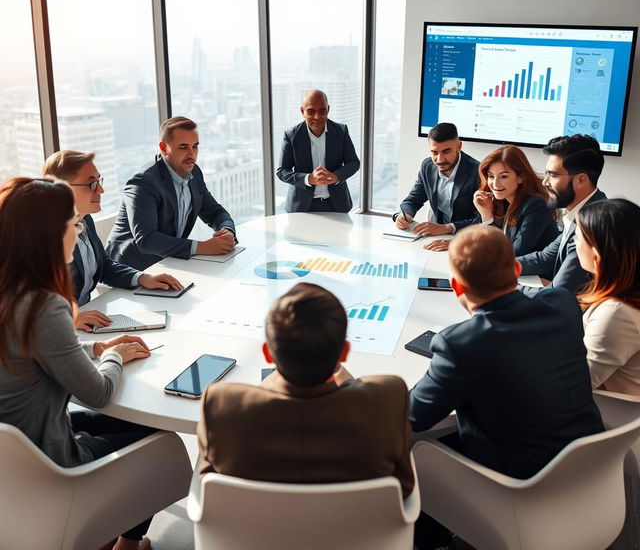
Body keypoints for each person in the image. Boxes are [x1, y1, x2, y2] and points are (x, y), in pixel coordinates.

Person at [409, 224, 604, 549]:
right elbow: (534, 298)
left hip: (518, 484)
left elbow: (414, 417)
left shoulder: (460, 344)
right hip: (586, 470)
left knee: (415, 451)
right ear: (516, 269)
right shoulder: (562, 304)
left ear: (457, 287)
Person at [0, 177, 157, 550]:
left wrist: (96, 352)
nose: (80, 229)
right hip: (49, 458)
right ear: (49, 235)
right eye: (75, 223)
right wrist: (116, 356)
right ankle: (124, 544)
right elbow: (98, 393)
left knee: (131, 422)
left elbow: (33, 358)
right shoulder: (42, 305)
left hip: (14, 455)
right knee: (154, 436)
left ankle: (100, 536)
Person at [197, 282, 414, 498]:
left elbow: (209, 485)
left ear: (267, 353)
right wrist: (350, 383)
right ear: (344, 352)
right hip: (364, 531)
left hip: (249, 531)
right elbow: (403, 486)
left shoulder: (222, 406)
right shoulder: (387, 398)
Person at [43, 150, 182, 332]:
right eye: (91, 184)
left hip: (88, 319)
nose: (101, 190)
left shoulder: (85, 220)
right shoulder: (43, 235)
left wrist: (142, 278)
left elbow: (104, 266)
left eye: (99, 181)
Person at [106, 116, 236, 270]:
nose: (191, 154)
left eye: (195, 146)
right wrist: (203, 247)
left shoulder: (194, 173)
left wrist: (227, 231)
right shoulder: (143, 183)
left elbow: (215, 212)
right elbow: (147, 240)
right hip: (129, 270)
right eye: (183, 147)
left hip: (168, 264)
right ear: (163, 147)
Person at [517, 134, 606, 295]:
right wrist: (494, 268)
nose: (545, 182)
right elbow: (545, 259)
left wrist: (497, 286)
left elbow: (556, 295)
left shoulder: (593, 226)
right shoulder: (581, 211)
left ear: (581, 180)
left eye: (553, 175)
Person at [575, 199, 640, 394]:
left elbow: (577, 386)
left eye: (577, 238)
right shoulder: (624, 301)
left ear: (596, 254)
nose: (574, 243)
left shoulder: (617, 314)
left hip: (613, 417)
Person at [394, 122, 479, 252]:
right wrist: (406, 214)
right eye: (434, 152)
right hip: (434, 236)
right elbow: (413, 200)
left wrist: (447, 227)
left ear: (459, 146)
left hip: (466, 238)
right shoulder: (427, 166)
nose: (439, 159)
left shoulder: (478, 171)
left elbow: (482, 219)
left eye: (446, 151)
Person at [276, 89, 360, 213]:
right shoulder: (291, 135)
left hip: (336, 204)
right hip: (302, 207)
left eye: (322, 111)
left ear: (328, 110)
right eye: (311, 111)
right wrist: (308, 179)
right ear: (302, 111)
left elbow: (353, 162)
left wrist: (336, 176)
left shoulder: (341, 131)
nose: (317, 117)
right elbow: (282, 171)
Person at [473, 145, 560, 256]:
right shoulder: (502, 199)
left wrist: (487, 216)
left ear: (521, 177)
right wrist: (485, 213)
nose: (495, 184)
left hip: (533, 272)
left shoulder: (537, 204)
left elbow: (515, 252)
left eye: (503, 176)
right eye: (491, 176)